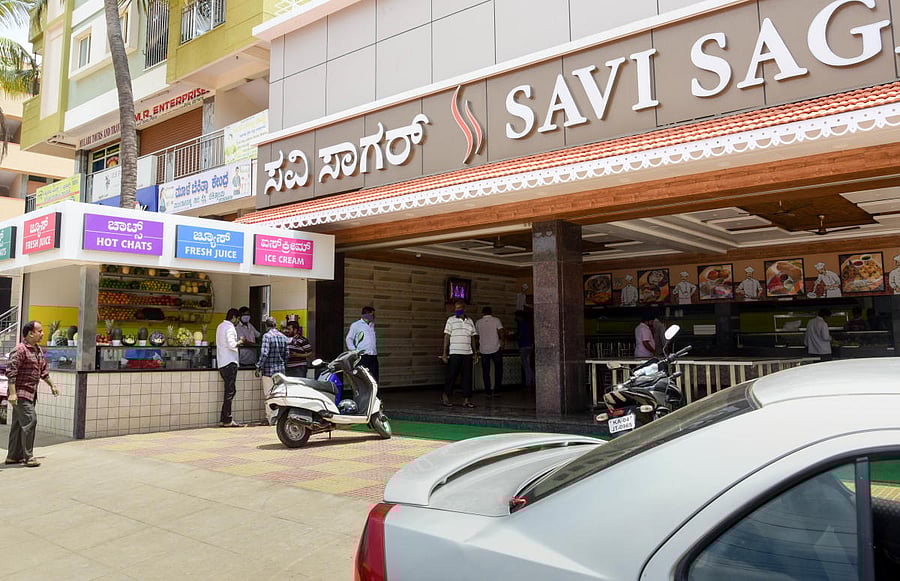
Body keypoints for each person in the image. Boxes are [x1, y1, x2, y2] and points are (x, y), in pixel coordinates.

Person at [5, 320, 59, 467]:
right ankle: (28, 457)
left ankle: (13, 456)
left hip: (30, 393)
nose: (42, 334)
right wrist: (12, 393)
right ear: (30, 333)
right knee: (30, 421)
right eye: (39, 331)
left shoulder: (37, 350)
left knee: (18, 424)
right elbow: (11, 372)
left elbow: (43, 371)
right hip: (20, 394)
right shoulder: (20, 350)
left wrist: (52, 385)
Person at [441, 300, 478, 408]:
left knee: (467, 377)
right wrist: (444, 353)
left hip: (467, 353)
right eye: (456, 308)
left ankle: (466, 400)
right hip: (455, 352)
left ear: (464, 309)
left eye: (459, 308)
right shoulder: (451, 320)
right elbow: (447, 336)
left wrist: (475, 353)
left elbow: (472, 337)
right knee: (451, 375)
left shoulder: (470, 321)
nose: (457, 310)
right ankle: (446, 395)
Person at [256, 317, 288, 424]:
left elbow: (264, 353)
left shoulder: (267, 336)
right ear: (275, 325)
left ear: (266, 326)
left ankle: (271, 418)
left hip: (269, 371)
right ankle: (280, 418)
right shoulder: (283, 337)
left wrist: (259, 366)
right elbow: (287, 354)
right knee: (279, 395)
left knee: (269, 396)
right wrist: (283, 366)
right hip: (281, 371)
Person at [216, 308, 244, 427]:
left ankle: (224, 418)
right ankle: (227, 419)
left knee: (229, 391)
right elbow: (232, 345)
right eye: (238, 319)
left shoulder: (220, 326)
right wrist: (241, 341)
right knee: (230, 391)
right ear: (233, 317)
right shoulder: (230, 328)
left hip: (222, 362)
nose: (238, 321)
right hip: (230, 362)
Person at [475, 306, 504, 397]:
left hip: (483, 349)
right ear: (491, 312)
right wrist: (502, 343)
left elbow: (476, 337)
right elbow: (501, 332)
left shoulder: (478, 322)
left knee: (485, 371)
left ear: (483, 313)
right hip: (496, 348)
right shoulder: (496, 320)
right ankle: (497, 390)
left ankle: (488, 391)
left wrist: (476, 348)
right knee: (498, 370)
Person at [346, 306, 379, 381]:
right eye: (372, 315)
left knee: (374, 379)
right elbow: (349, 338)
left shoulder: (371, 325)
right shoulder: (356, 325)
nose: (374, 316)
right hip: (362, 357)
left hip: (373, 357)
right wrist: (354, 350)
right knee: (361, 379)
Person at [514, 310, 534, 389]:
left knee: (526, 365)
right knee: (528, 364)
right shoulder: (527, 323)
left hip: (524, 346)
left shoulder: (522, 324)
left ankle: (529, 382)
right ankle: (532, 381)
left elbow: (520, 336)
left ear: (519, 317)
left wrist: (513, 336)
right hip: (529, 345)